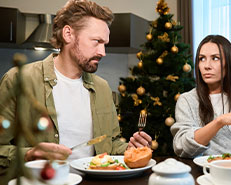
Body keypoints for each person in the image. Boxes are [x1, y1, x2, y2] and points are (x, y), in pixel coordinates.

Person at [0, 0, 151, 172]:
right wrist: (30, 155)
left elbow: (111, 144)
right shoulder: (18, 80)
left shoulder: (102, 88)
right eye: (96, 41)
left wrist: (130, 151)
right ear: (68, 34)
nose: (103, 52)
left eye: (105, 44)